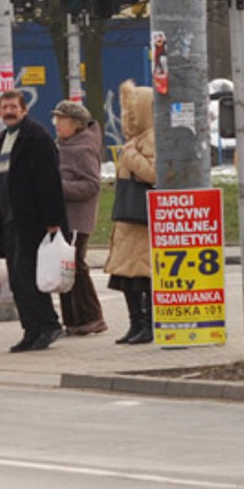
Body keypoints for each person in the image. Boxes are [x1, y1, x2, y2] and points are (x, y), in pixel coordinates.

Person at [0, 89, 69, 352]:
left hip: (33, 221)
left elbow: (49, 181)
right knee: (18, 279)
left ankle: (48, 325)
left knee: (30, 276)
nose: (9, 111)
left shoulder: (36, 137)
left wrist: (53, 220)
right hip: (10, 221)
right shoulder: (2, 140)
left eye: (14, 106)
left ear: (24, 110)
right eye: (5, 107)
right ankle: (31, 330)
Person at [106, 81, 157, 345]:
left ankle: (148, 324)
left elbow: (154, 173)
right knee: (126, 277)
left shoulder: (152, 138)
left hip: (142, 220)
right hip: (128, 218)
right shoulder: (134, 140)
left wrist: (131, 157)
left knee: (143, 276)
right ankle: (135, 323)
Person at [53, 100, 106, 336]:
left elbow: (91, 185)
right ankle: (73, 320)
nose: (56, 124)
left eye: (61, 119)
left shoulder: (83, 149)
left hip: (77, 219)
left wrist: (57, 187)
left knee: (76, 268)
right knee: (65, 269)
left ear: (75, 124)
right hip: (63, 217)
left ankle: (91, 316)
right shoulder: (63, 145)